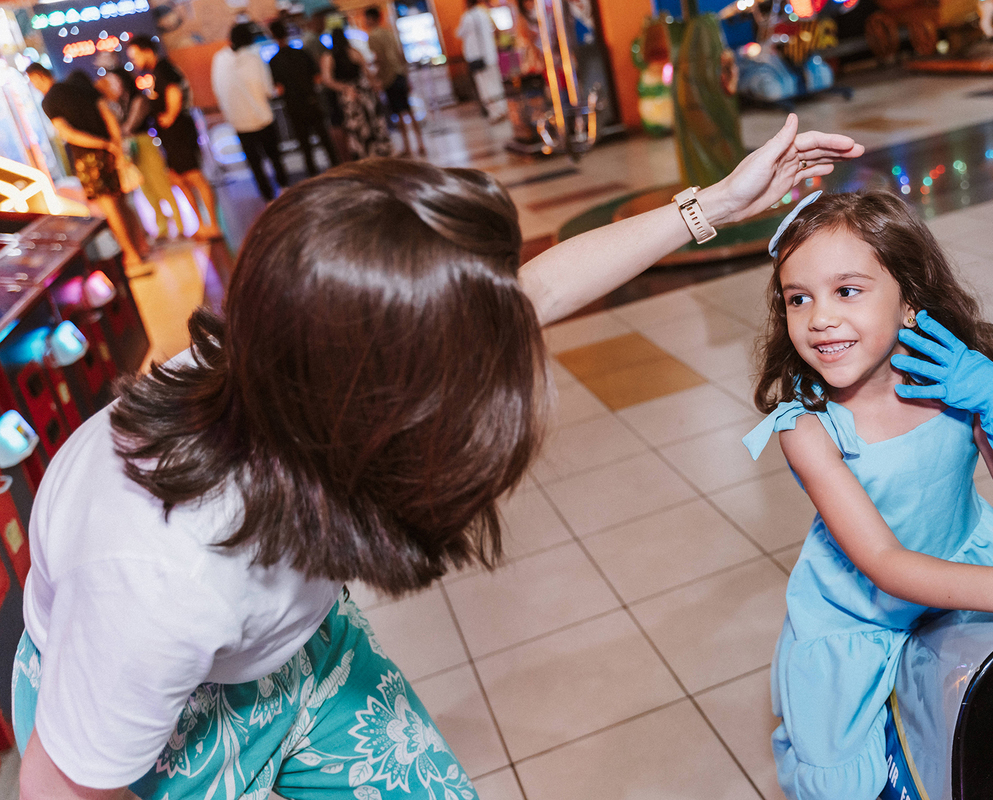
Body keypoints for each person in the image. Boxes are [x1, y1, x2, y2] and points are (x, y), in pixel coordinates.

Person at [12, 115, 863, 799]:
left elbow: (540, 289)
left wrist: (713, 203)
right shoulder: (160, 579)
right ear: (391, 416)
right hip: (148, 721)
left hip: (284, 647)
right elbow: (64, 784)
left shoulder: (316, 356)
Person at [740, 190, 993, 800]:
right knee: (847, 771)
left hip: (966, 563)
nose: (819, 318)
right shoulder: (805, 427)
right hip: (859, 607)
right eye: (798, 298)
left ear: (910, 298)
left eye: (847, 291)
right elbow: (884, 565)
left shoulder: (955, 381)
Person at [25, 64, 148, 276]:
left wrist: (100, 144)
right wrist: (114, 145)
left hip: (88, 158)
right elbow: (107, 114)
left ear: (38, 77)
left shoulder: (49, 101)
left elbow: (68, 133)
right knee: (122, 201)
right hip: (110, 150)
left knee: (110, 208)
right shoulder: (78, 86)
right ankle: (143, 246)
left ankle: (132, 256)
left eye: (32, 80)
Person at [126, 35, 222, 239]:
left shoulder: (163, 69)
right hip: (172, 137)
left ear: (147, 51)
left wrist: (170, 115)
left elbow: (174, 91)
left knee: (194, 177)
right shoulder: (158, 71)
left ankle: (212, 225)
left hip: (179, 134)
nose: (134, 61)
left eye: (135, 56)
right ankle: (201, 225)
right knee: (178, 178)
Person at [99, 68, 186, 241]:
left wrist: (116, 129)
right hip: (131, 147)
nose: (114, 86)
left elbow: (129, 125)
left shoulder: (138, 99)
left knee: (161, 184)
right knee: (146, 189)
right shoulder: (118, 103)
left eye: (115, 81)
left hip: (144, 142)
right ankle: (161, 228)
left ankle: (180, 225)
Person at [211, 22, 289, 202]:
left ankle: (267, 196)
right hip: (262, 117)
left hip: (239, 121)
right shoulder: (254, 58)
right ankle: (284, 188)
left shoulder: (219, 59)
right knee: (274, 156)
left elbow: (217, 90)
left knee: (254, 162)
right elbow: (268, 90)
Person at [268, 19, 340, 177]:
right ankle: (338, 170)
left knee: (304, 144)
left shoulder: (273, 61)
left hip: (293, 107)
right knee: (324, 139)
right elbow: (317, 77)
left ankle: (313, 176)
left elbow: (278, 89)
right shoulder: (302, 53)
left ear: (272, 35)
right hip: (312, 101)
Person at [320, 26, 393, 160]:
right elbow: (367, 72)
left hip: (348, 96)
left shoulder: (329, 56)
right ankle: (377, 153)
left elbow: (327, 80)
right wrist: (374, 84)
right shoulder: (353, 52)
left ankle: (363, 155)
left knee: (357, 127)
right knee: (370, 122)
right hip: (361, 93)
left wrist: (345, 88)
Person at [363, 6, 424, 157]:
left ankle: (407, 146)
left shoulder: (373, 36)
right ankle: (420, 143)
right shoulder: (389, 32)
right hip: (400, 74)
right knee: (409, 110)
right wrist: (405, 74)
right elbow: (400, 53)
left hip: (389, 78)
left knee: (398, 114)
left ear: (371, 18)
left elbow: (379, 59)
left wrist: (376, 79)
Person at [455, 0, 506, 122]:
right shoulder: (484, 13)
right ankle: (502, 109)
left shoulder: (468, 16)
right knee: (495, 83)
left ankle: (494, 112)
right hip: (490, 55)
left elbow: (458, 33)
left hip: (478, 57)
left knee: (484, 86)